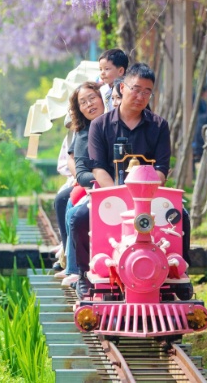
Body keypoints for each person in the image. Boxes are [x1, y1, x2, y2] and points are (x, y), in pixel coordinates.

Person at [70, 62, 192, 299]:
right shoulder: (100, 126)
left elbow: (161, 169)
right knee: (79, 218)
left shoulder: (159, 126)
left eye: (147, 92)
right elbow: (98, 168)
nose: (140, 96)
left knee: (181, 217)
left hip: (150, 196)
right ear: (122, 87)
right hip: (110, 194)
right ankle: (85, 273)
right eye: (136, 89)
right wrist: (121, 197)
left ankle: (180, 272)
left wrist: (143, 198)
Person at [58, 82, 106, 286]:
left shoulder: (113, 124)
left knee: (72, 207)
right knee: (69, 203)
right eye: (83, 102)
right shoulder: (83, 131)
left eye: (92, 98)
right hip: (91, 182)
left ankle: (76, 267)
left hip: (110, 183)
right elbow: (76, 161)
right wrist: (85, 177)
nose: (89, 105)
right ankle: (73, 265)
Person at [51, 119, 78, 273]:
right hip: (81, 178)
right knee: (62, 200)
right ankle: (67, 255)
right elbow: (68, 161)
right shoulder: (77, 133)